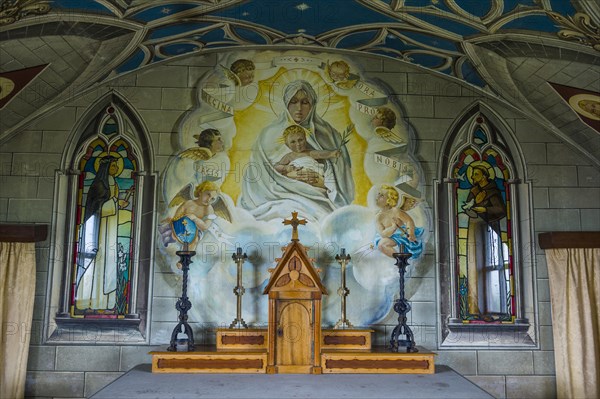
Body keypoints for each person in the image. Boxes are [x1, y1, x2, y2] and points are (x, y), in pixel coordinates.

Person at [239, 79, 354, 221]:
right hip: (277, 196)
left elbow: (342, 178)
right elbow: (258, 176)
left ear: (313, 105)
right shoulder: (268, 134)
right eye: (293, 102)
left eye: (305, 102)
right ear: (286, 103)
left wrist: (320, 181)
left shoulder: (329, 134)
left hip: (319, 195)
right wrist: (292, 175)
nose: (299, 108)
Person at [75, 154, 130, 312]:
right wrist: (116, 203)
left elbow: (110, 204)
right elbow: (96, 209)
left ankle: (106, 304)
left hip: (111, 228)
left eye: (116, 166)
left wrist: (118, 203)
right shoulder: (99, 184)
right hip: (99, 230)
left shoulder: (112, 182)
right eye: (113, 166)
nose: (116, 169)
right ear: (105, 167)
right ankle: (91, 302)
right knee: (99, 261)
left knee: (109, 263)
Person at [461, 161, 507, 318]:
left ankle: (495, 311)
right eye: (472, 174)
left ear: (484, 175)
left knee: (490, 263)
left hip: (489, 228)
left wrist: (485, 209)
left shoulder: (493, 190)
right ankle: (474, 309)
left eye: (476, 174)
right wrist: (469, 208)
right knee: (473, 263)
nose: (473, 177)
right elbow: (467, 205)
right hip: (474, 226)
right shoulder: (474, 190)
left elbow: (501, 209)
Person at [274, 125, 341, 189]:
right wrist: (286, 168)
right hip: (297, 173)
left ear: (305, 139)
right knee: (290, 175)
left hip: (312, 173)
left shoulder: (309, 153)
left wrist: (331, 154)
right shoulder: (289, 156)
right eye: (293, 142)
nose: (298, 144)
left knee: (316, 178)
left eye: (300, 140)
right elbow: (276, 166)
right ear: (287, 145)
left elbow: (321, 154)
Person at [160, 180, 219, 250]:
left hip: (196, 229)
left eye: (212, 198)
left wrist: (194, 218)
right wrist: (172, 219)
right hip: (182, 225)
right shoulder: (188, 203)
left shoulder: (209, 209)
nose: (209, 200)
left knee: (195, 239)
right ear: (200, 192)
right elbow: (177, 216)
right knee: (169, 232)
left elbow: (205, 226)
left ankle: (186, 256)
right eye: (208, 194)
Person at [374, 184, 423, 258]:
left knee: (383, 244)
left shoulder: (395, 211)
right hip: (390, 235)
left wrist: (411, 233)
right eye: (378, 194)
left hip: (402, 234)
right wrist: (393, 227)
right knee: (381, 245)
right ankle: (399, 259)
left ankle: (402, 260)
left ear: (389, 200)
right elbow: (383, 234)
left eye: (382, 195)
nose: (377, 197)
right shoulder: (378, 217)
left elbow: (409, 221)